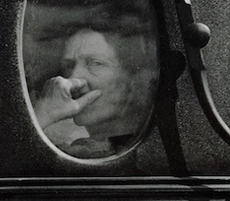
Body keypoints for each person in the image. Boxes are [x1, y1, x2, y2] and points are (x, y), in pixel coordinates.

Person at [34, 28, 157, 157]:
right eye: (69, 66)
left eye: (96, 63)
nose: (73, 77)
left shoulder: (146, 157)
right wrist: (43, 115)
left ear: (132, 78)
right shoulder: (80, 150)